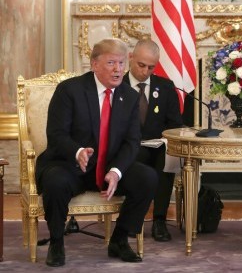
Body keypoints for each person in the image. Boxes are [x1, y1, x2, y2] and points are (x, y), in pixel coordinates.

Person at [36, 38, 158, 267]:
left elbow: (132, 142)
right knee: (55, 181)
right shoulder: (70, 90)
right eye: (111, 62)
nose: (118, 69)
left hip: (108, 166)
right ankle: (56, 242)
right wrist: (78, 151)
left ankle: (120, 239)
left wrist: (116, 171)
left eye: (121, 63)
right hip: (71, 165)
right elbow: (56, 133)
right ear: (94, 64)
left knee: (147, 178)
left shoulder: (129, 97)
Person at [123, 39, 183, 242]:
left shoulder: (165, 87)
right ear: (131, 58)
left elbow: (175, 124)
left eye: (151, 67)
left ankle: (159, 220)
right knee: (135, 157)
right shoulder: (117, 85)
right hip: (128, 147)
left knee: (166, 158)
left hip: (158, 146)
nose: (145, 71)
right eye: (141, 65)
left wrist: (163, 139)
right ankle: (133, 220)